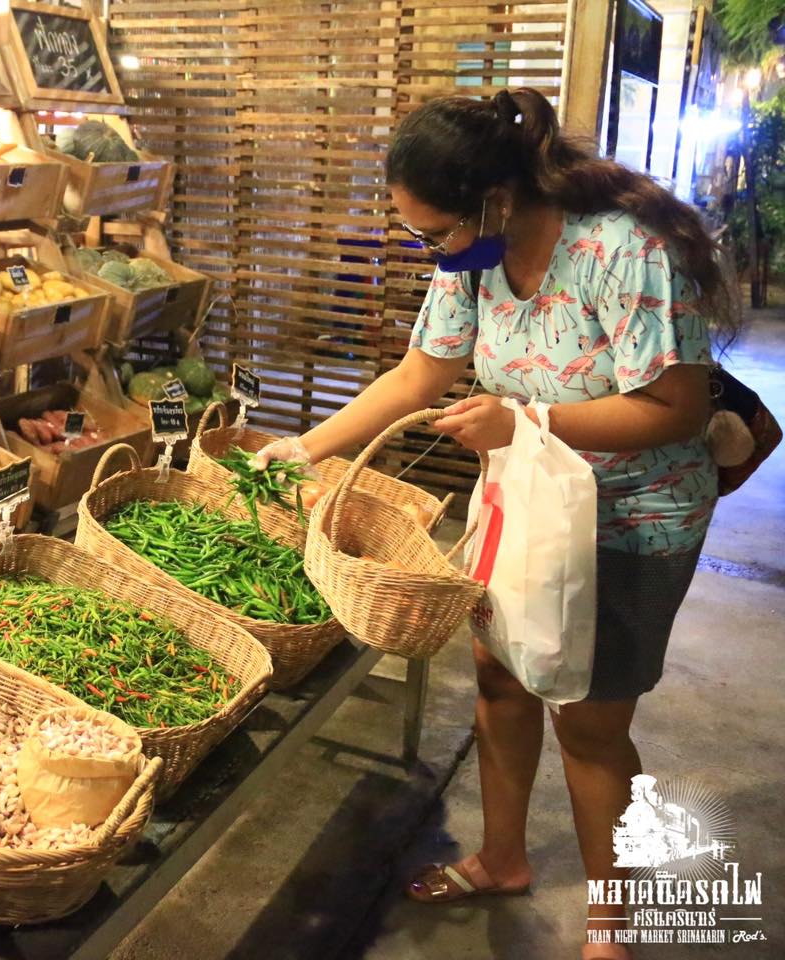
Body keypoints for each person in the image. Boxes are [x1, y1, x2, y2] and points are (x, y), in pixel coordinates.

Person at [254, 88, 733, 960]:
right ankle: (503, 859)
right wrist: (306, 448)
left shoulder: (625, 251)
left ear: (497, 198)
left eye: (435, 231)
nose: (431, 249)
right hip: (525, 503)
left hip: (632, 516)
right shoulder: (472, 256)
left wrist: (528, 420)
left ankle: (608, 930)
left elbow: (675, 407)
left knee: (588, 723)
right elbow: (416, 376)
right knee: (501, 682)